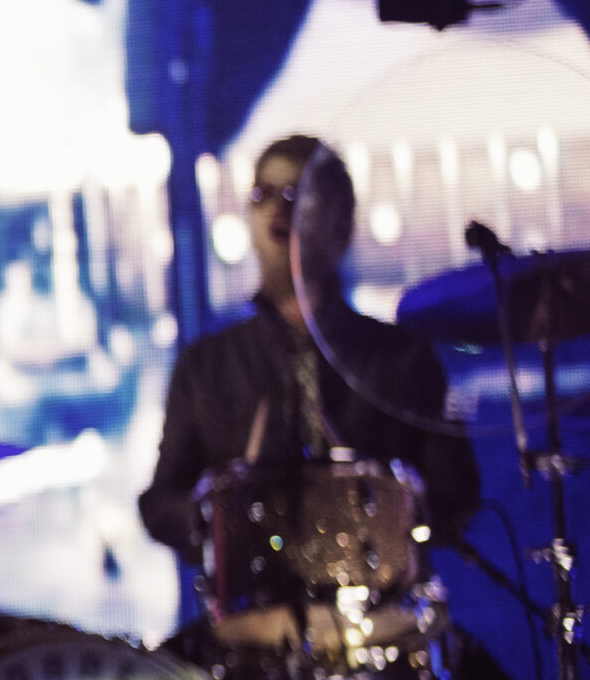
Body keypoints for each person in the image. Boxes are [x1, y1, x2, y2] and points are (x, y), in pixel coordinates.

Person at [139, 134, 481, 558]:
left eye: (297, 194)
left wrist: (387, 509)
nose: (278, 208)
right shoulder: (204, 366)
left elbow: (455, 495)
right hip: (249, 594)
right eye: (263, 194)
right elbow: (160, 504)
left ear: (342, 225)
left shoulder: (403, 357)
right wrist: (216, 516)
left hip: (374, 590)